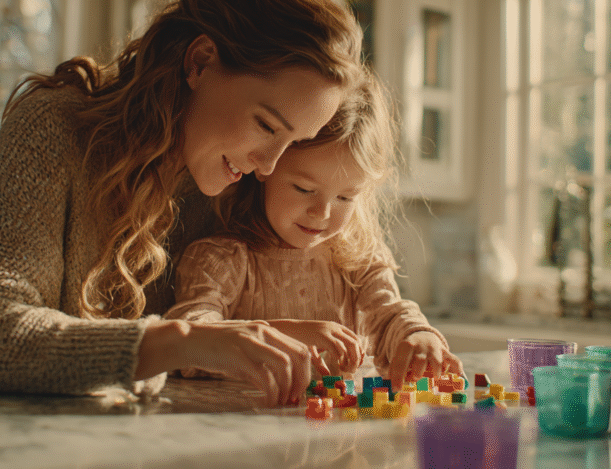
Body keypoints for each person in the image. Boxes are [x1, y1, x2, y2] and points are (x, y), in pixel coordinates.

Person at [0, 0, 371, 406]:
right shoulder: (54, 129)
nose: (270, 166)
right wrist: (177, 340)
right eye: (266, 124)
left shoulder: (239, 188)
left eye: (293, 142)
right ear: (200, 62)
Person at [164, 79, 464, 392]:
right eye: (304, 189)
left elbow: (389, 314)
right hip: (242, 432)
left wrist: (417, 336)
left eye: (345, 197)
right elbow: (188, 339)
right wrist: (285, 334)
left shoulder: (359, 258)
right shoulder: (221, 259)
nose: (322, 212)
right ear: (265, 169)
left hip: (336, 434)